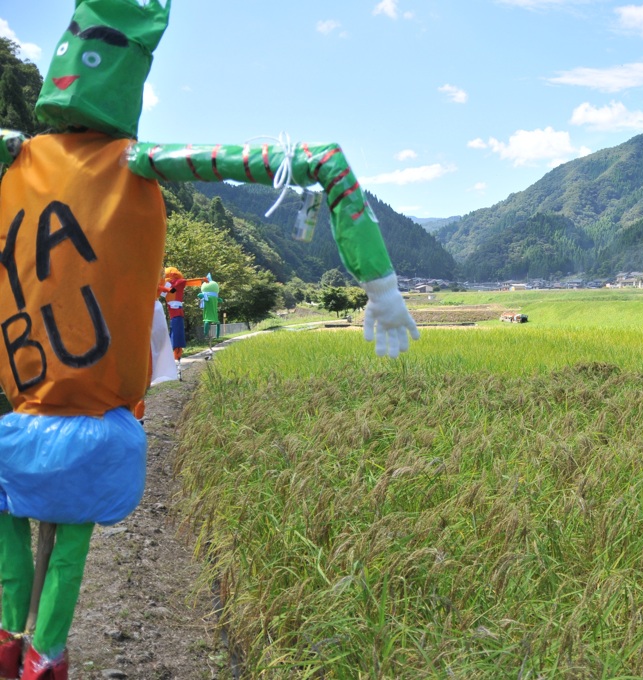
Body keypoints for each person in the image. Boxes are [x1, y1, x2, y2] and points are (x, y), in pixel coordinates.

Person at [0, 1, 417, 677]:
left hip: (27, 411)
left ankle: (19, 644)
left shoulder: (23, 153)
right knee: (64, 544)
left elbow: (317, 162)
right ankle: (40, 653)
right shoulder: (133, 160)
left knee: (24, 532)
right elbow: (320, 162)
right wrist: (382, 285)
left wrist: (381, 286)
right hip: (81, 419)